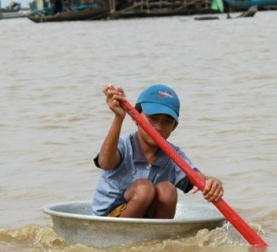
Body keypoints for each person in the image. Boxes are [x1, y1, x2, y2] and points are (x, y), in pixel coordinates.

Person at [92, 84, 223, 218]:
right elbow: (105, 162)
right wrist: (119, 118)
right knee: (144, 189)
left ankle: (159, 237)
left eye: (167, 121)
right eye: (153, 118)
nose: (158, 127)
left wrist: (214, 183)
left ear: (174, 127)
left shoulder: (173, 155)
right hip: (112, 218)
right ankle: (122, 236)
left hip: (147, 218)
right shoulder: (125, 145)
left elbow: (198, 178)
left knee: (168, 190)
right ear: (135, 117)